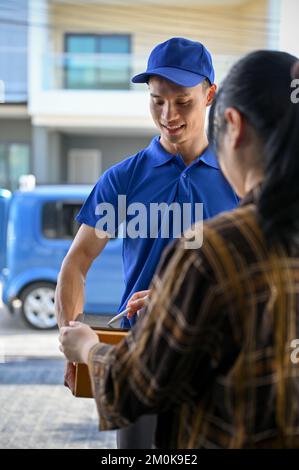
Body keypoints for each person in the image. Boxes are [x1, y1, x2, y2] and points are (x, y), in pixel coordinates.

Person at [60, 50, 299, 449]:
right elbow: (77, 263)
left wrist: (88, 348)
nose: (169, 114)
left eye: (183, 101)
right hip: (142, 348)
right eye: (157, 100)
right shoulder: (123, 179)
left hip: (196, 363)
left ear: (211, 99)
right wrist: (69, 337)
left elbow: (238, 272)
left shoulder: (234, 183)